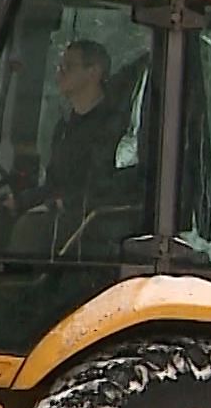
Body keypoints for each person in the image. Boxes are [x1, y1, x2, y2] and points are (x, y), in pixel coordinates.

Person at [7, 39, 131, 253]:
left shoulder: (114, 128)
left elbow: (110, 186)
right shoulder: (64, 127)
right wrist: (19, 201)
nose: (60, 72)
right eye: (60, 66)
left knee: (28, 230)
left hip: (93, 226)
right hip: (61, 213)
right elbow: (53, 184)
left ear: (94, 72)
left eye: (69, 66)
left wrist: (62, 203)